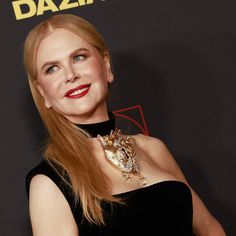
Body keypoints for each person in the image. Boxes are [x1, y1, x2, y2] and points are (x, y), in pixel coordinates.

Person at [24, 14, 226, 236]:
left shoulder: (153, 148)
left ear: (106, 65)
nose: (70, 75)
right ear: (43, 93)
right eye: (52, 68)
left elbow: (209, 228)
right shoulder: (50, 182)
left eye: (79, 57)